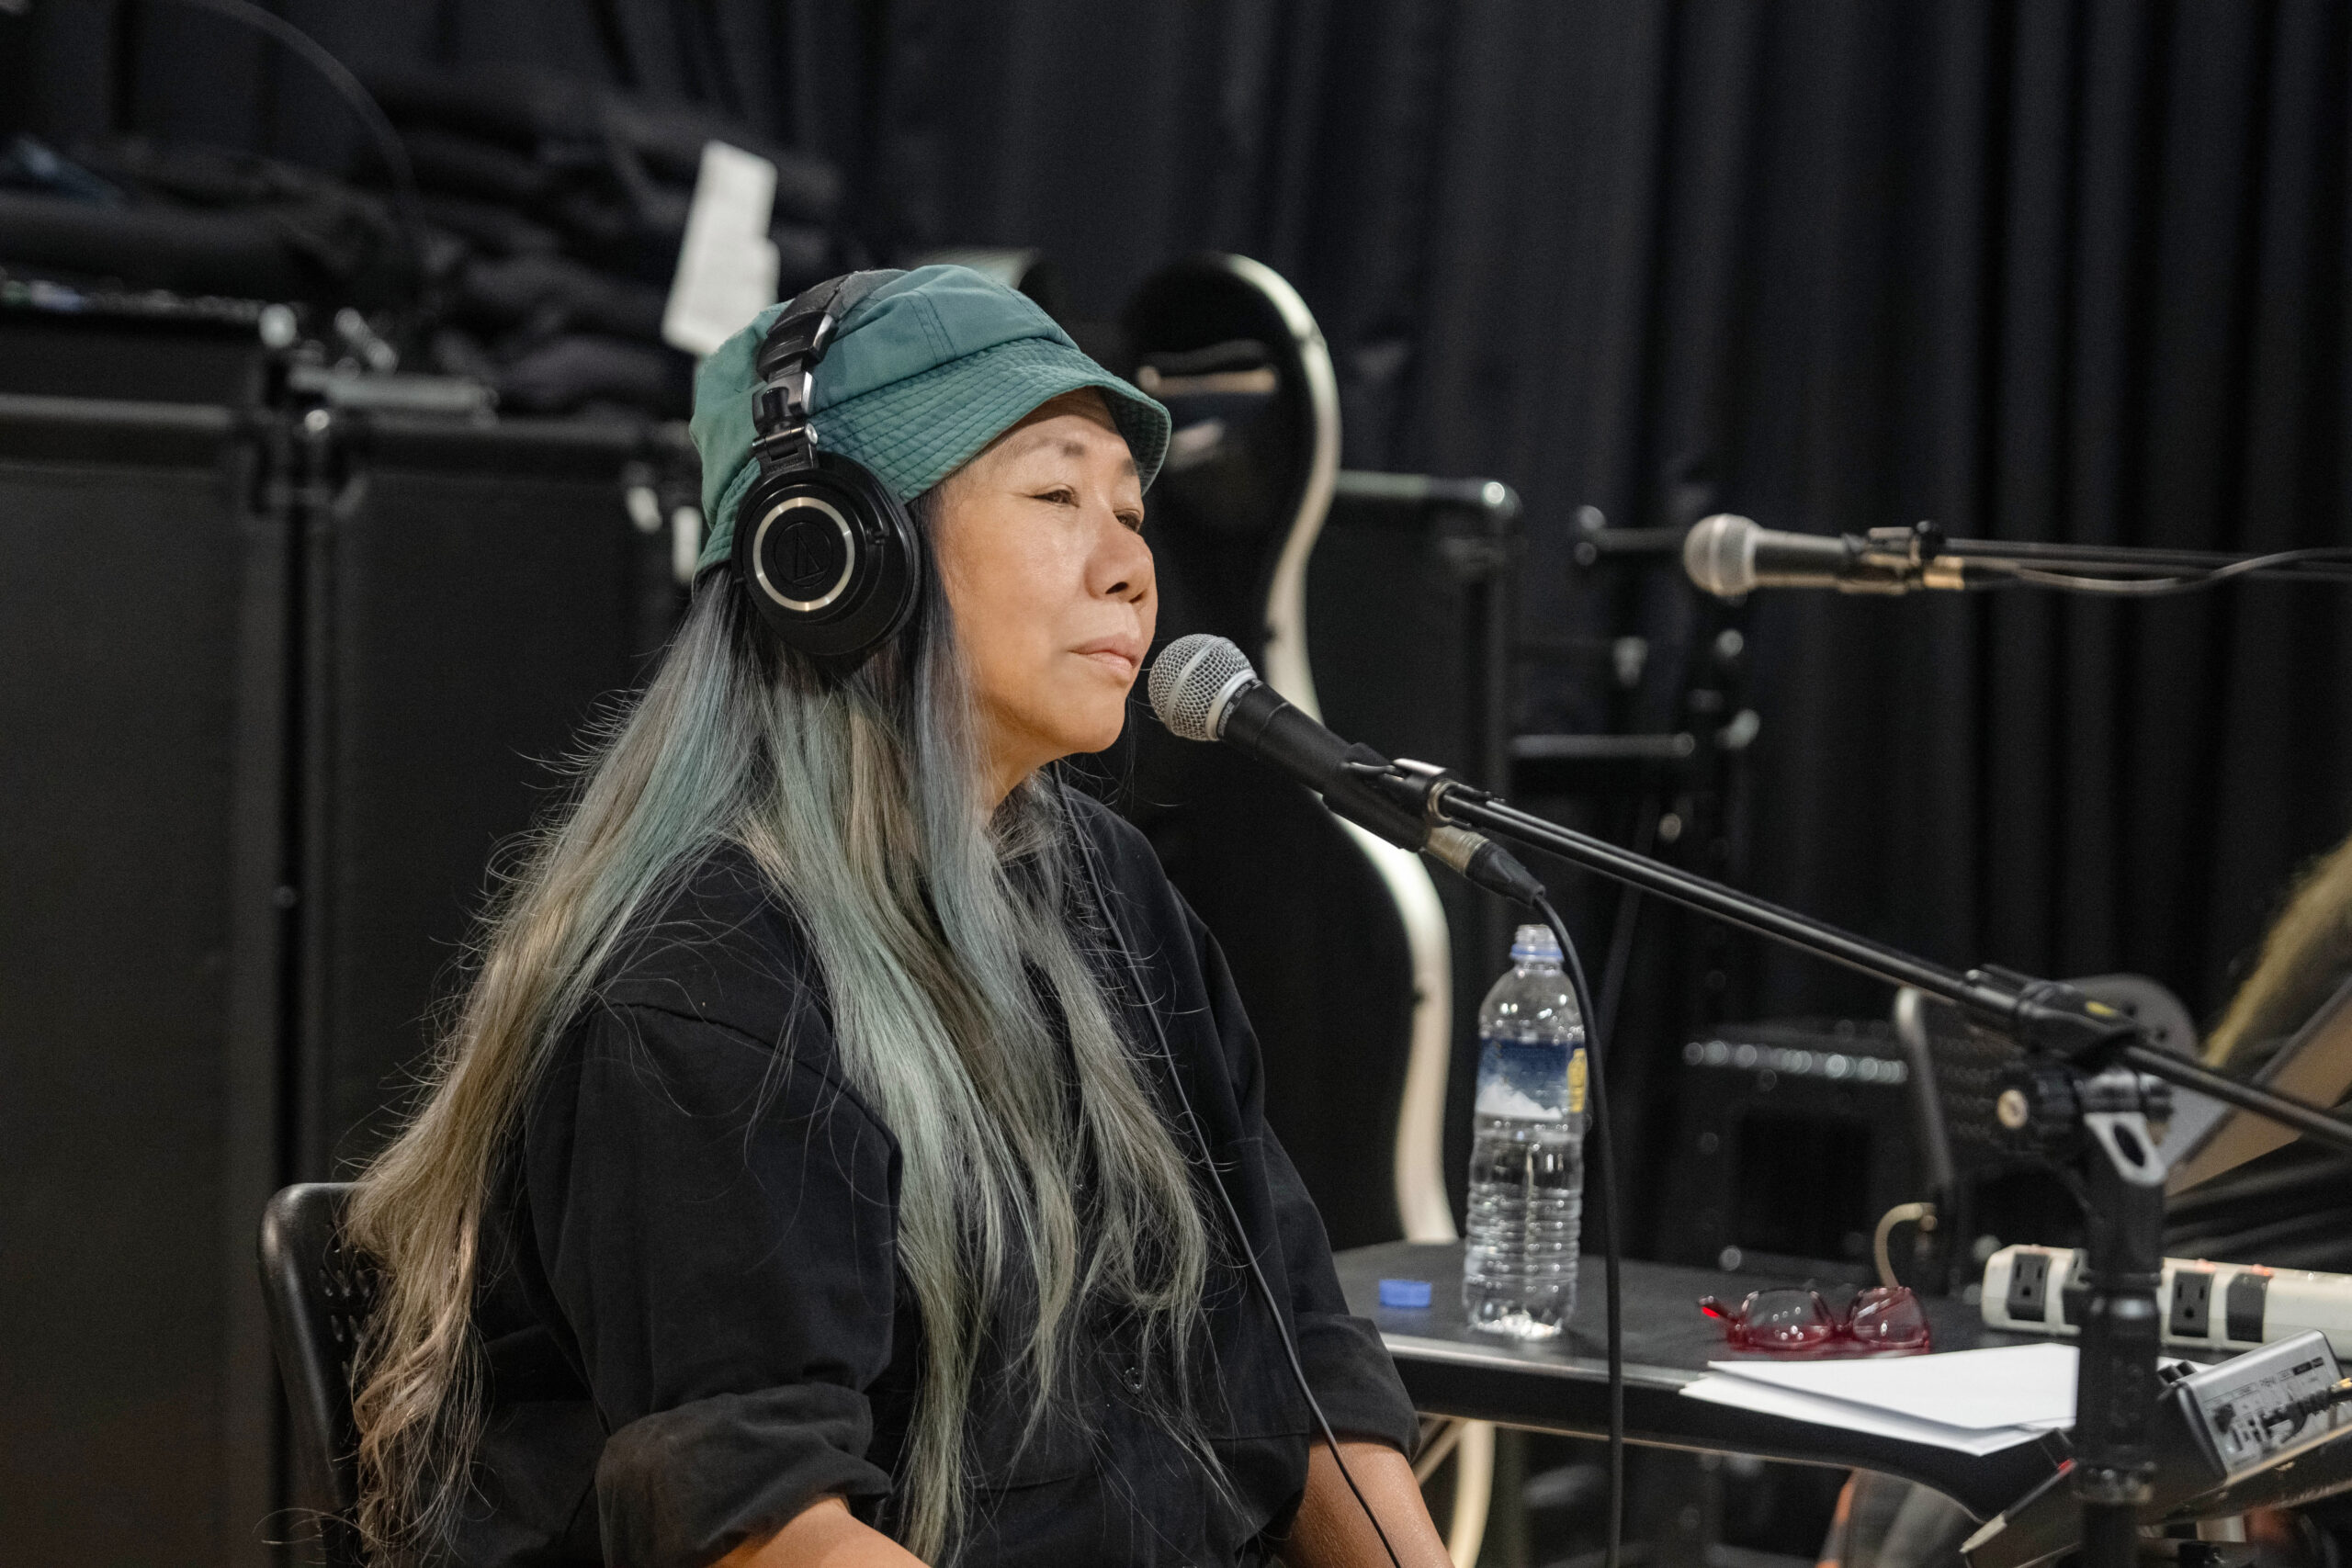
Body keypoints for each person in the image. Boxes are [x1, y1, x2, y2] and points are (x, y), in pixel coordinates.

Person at [344, 266, 1448, 1568]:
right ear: (832, 558)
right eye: (1057, 498)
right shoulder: (705, 984)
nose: (1131, 570)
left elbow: (1295, 1348)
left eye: (1131, 512)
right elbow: (769, 1520)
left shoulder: (1112, 898)